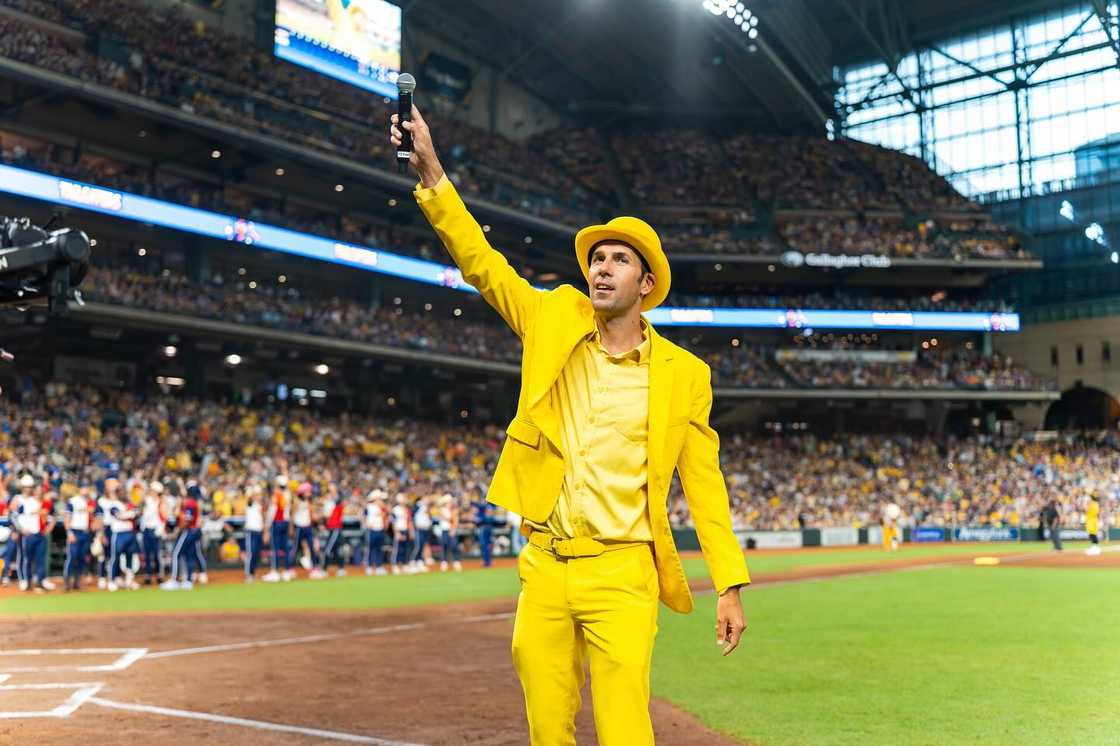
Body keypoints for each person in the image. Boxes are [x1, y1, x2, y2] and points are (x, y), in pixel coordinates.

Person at [392, 107, 749, 745]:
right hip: (546, 565)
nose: (602, 267)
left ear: (646, 283)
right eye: (597, 258)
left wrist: (729, 585)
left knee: (625, 729)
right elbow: (483, 265)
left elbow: (704, 486)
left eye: (619, 260)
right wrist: (433, 175)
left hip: (624, 572)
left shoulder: (684, 375)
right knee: (546, 728)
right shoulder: (554, 318)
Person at [63, 482, 96, 591]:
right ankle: (67, 583)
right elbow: (67, 518)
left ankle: (77, 583)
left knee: (82, 558)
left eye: (87, 488)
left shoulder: (90, 502)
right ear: (79, 489)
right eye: (83, 488)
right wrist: (69, 532)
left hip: (85, 532)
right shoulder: (73, 501)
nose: (85, 490)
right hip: (75, 531)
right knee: (72, 557)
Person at [138, 481, 167, 585]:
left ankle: (159, 575)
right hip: (146, 529)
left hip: (155, 530)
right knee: (147, 554)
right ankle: (148, 575)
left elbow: (164, 517)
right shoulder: (147, 500)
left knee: (157, 554)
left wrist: (161, 529)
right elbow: (140, 506)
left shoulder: (161, 502)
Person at [243, 484, 266, 582]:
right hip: (251, 531)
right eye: (257, 495)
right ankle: (248, 574)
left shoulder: (260, 505)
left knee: (256, 553)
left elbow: (262, 519)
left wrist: (265, 531)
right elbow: (249, 498)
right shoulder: (250, 504)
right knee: (251, 552)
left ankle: (253, 572)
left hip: (259, 531)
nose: (259, 496)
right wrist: (253, 489)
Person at [363, 489, 389, 576]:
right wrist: (366, 523)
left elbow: (387, 516)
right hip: (372, 530)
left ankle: (379, 566)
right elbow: (363, 516)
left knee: (379, 549)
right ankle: (369, 566)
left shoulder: (382, 508)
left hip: (380, 530)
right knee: (370, 548)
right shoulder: (369, 507)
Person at [437, 493, 462, 572]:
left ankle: (456, 561)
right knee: (444, 546)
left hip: (451, 529)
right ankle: (444, 562)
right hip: (444, 530)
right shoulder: (442, 510)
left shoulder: (454, 510)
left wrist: (453, 529)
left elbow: (454, 520)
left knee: (454, 545)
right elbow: (450, 519)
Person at [1086, 491, 1101, 556]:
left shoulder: (1092, 503)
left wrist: (1086, 505)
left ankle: (1095, 548)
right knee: (1093, 534)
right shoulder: (1096, 503)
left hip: (1091, 521)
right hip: (1094, 520)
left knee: (1092, 534)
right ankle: (1095, 547)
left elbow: (1086, 510)